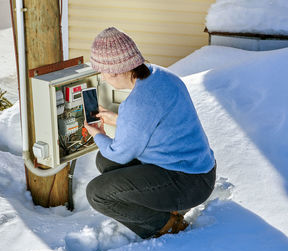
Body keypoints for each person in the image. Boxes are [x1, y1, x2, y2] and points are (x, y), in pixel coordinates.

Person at [84, 27, 216, 239]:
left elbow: (121, 154)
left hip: (187, 182)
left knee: (97, 194)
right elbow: (155, 123)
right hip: (198, 170)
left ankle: (164, 224)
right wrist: (119, 120)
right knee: (105, 161)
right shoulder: (162, 76)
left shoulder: (138, 103)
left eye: (102, 73)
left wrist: (97, 134)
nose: (104, 78)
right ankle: (168, 206)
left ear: (115, 71)